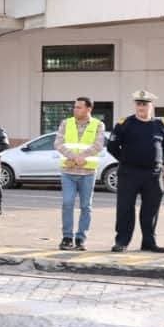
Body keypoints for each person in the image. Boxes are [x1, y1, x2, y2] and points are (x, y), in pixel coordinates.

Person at [108, 90, 164, 253]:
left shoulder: (161, 125)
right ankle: (122, 242)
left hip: (153, 175)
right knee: (125, 209)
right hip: (129, 173)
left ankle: (149, 242)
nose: (141, 107)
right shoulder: (124, 124)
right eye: (138, 104)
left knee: (151, 210)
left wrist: (156, 160)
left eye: (144, 104)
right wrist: (126, 160)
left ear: (151, 106)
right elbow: (112, 146)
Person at [55, 97, 105, 251]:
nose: (75, 109)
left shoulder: (98, 124)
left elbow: (98, 145)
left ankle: (81, 239)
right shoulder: (66, 123)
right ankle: (67, 238)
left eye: (79, 107)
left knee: (85, 206)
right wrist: (74, 157)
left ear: (88, 109)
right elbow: (58, 143)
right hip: (68, 172)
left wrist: (81, 157)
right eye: (75, 107)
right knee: (67, 203)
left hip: (88, 173)